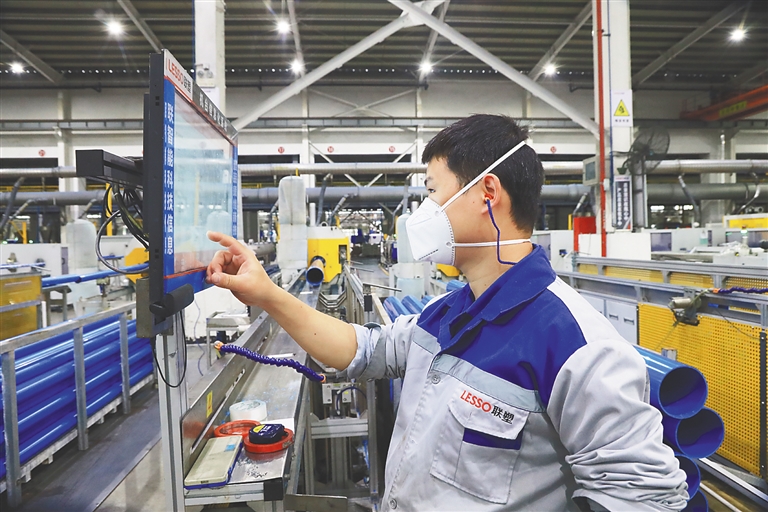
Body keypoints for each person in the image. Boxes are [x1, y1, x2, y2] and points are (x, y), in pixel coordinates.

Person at [206, 115, 688, 511]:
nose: (425, 210)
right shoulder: (446, 313)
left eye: (434, 192)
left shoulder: (576, 345)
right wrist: (267, 293)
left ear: (487, 193)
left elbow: (643, 498)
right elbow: (363, 350)